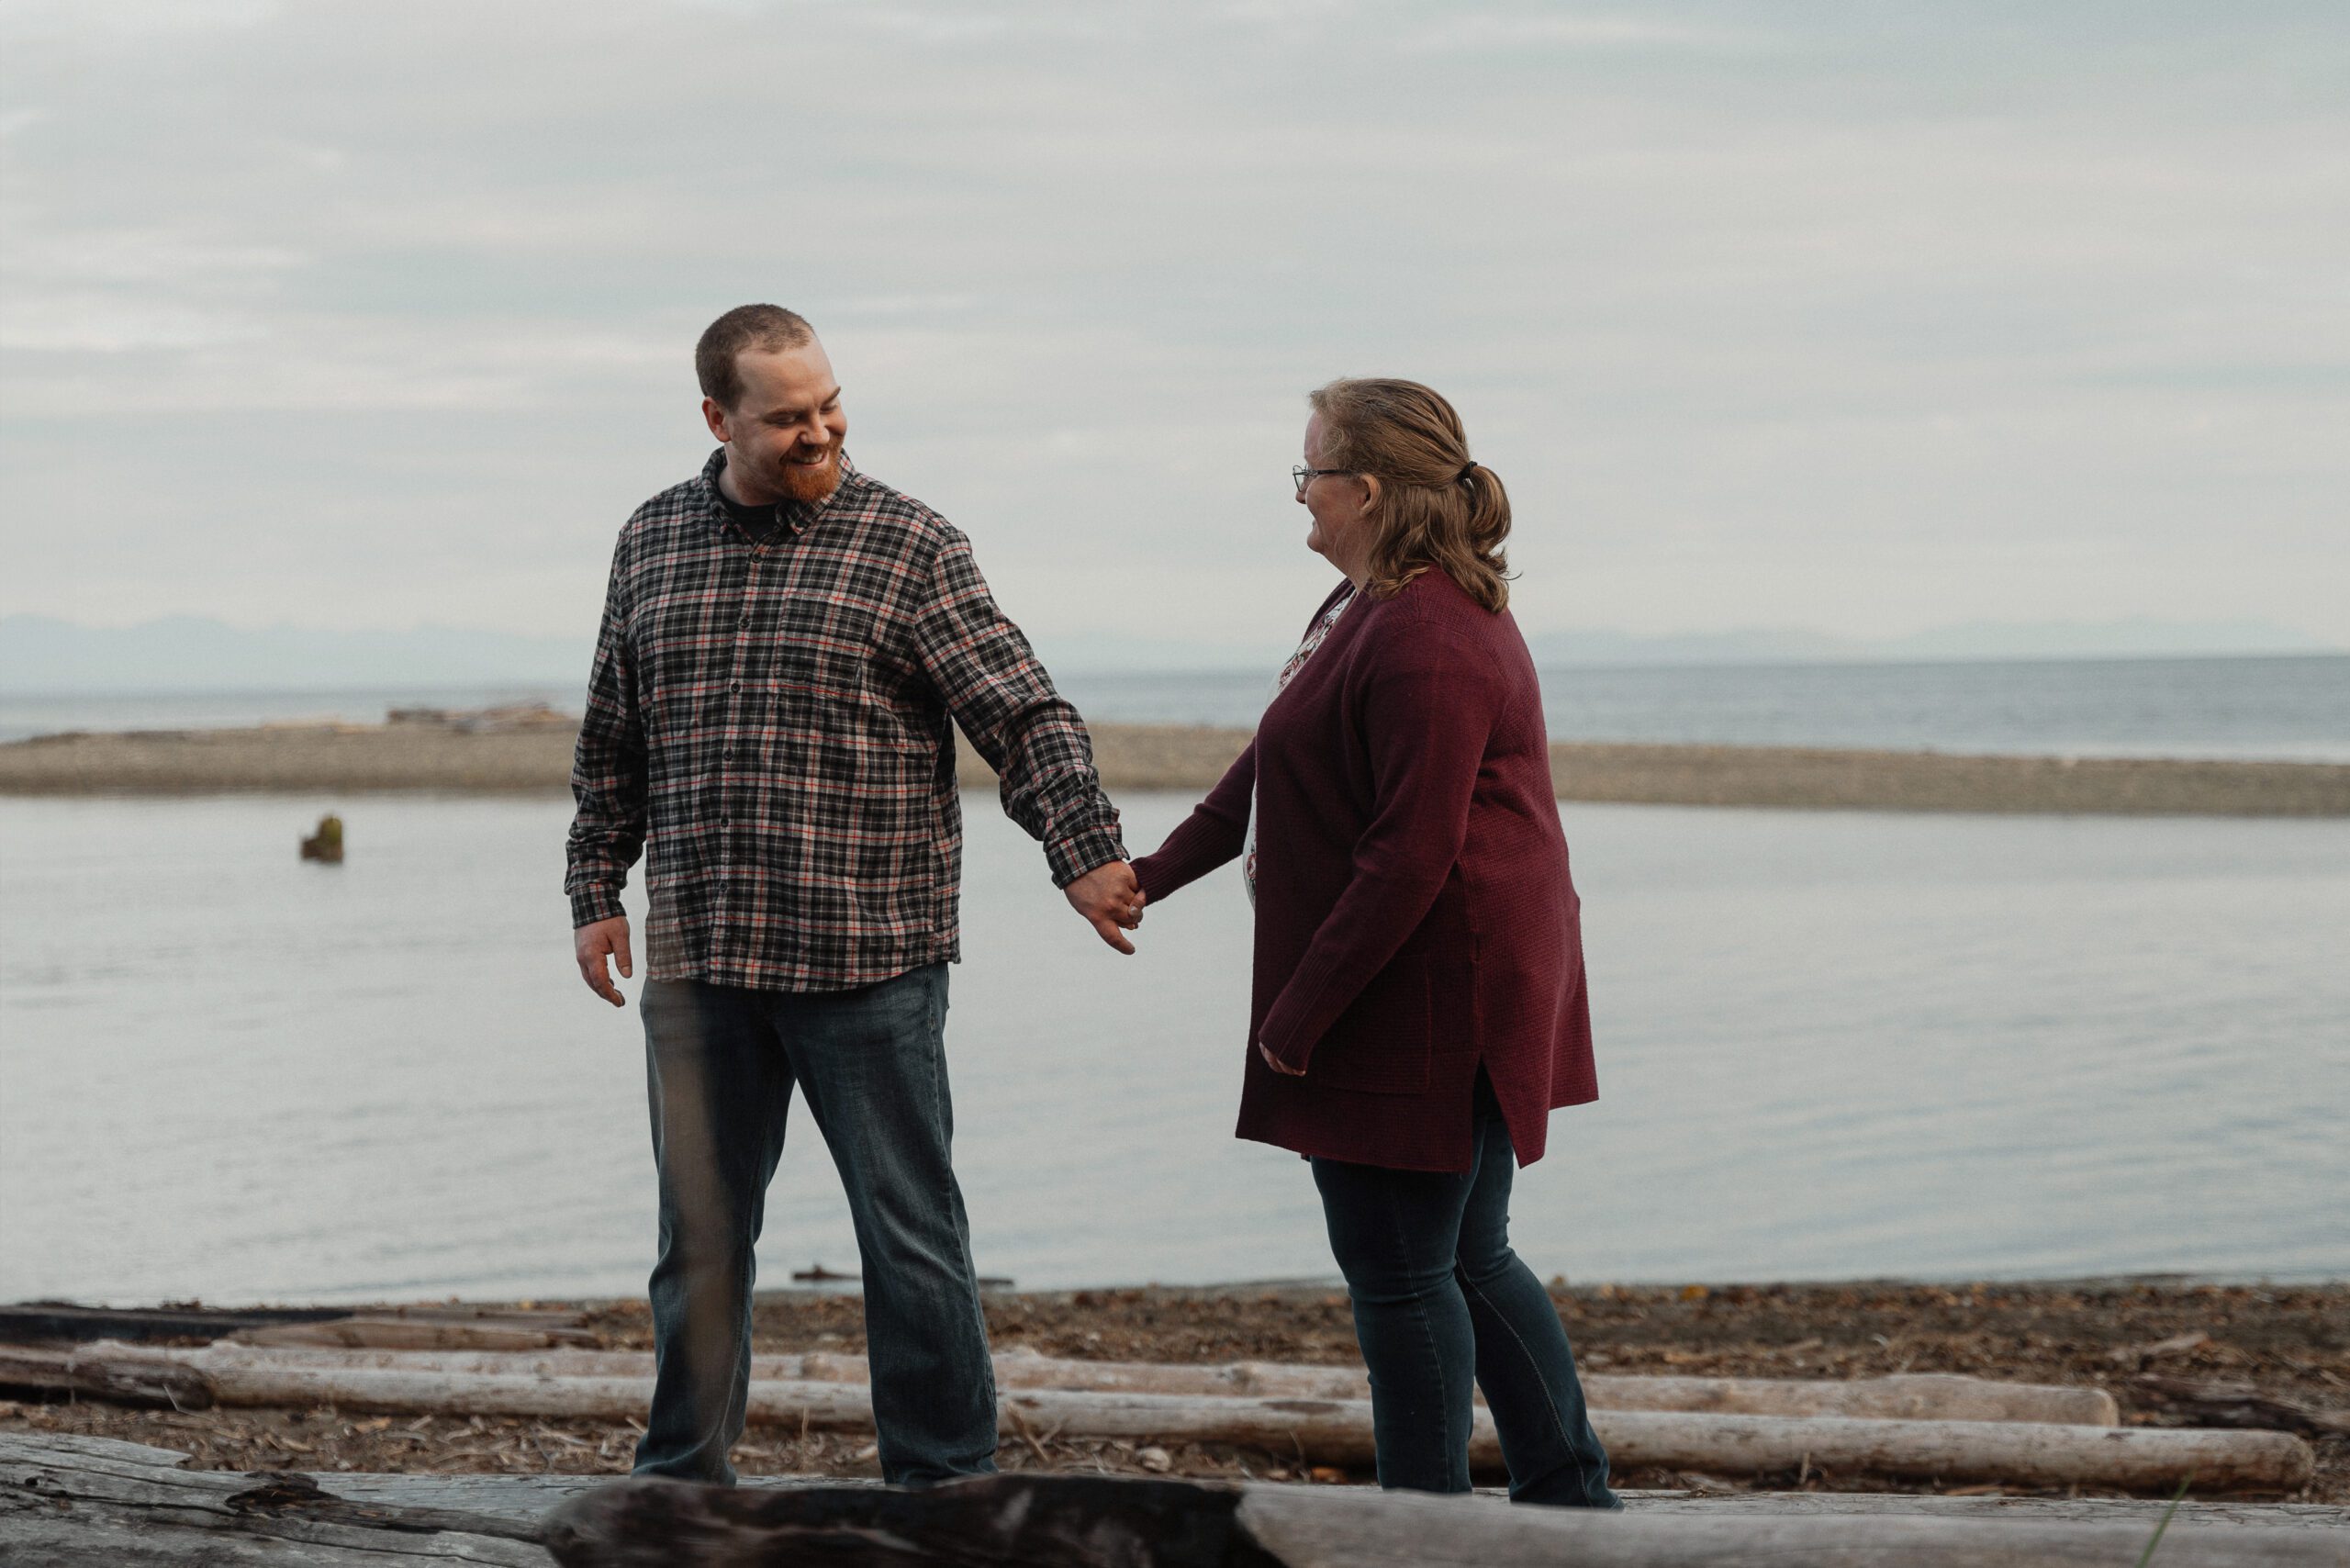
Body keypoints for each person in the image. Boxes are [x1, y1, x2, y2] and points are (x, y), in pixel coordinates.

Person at [565, 304, 1145, 1486]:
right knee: (700, 1250)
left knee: (912, 1240)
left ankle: (944, 1489)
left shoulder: (910, 544)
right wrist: (594, 884)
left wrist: (1080, 848)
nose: (819, 431)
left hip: (869, 959)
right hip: (702, 960)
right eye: (786, 417)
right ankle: (680, 1485)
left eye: (830, 405)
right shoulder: (651, 540)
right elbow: (612, 738)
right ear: (718, 418)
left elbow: (1022, 712)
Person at [1130, 378, 1617, 1506]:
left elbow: (1409, 855)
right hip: (1425, 983)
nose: (1296, 491)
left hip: (1432, 996)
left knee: (1405, 1276)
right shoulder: (1367, 606)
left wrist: (1294, 1018)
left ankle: (1426, 1528)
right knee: (1464, 1256)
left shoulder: (1429, 636)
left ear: (1368, 488)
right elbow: (1271, 765)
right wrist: (1153, 876)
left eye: (1308, 470)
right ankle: (1570, 1497)